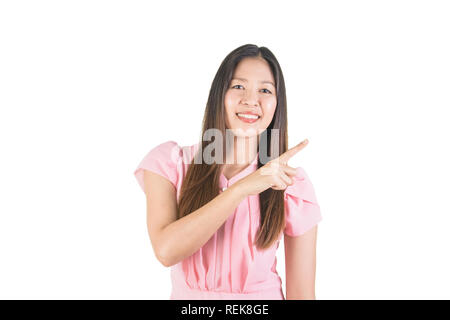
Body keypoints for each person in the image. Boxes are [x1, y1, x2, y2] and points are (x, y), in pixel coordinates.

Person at [134, 44, 323, 300]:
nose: (250, 100)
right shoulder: (170, 164)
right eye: (238, 86)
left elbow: (302, 294)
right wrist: (242, 188)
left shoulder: (290, 184)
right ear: (219, 94)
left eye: (265, 90)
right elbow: (166, 251)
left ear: (277, 104)